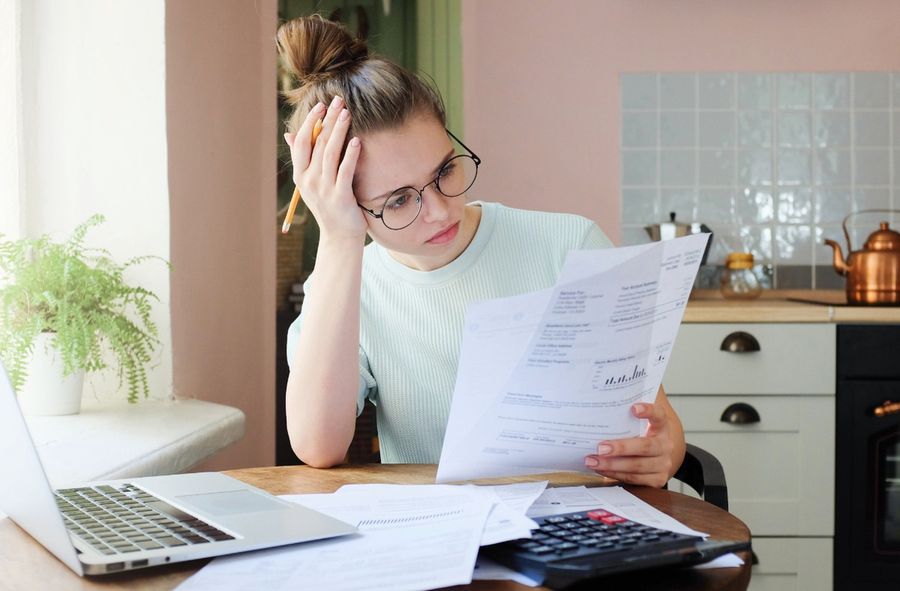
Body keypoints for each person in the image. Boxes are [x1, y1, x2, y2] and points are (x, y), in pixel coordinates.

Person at [279, 15, 685, 487]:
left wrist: (667, 447)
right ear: (346, 203)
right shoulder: (345, 284)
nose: (439, 210)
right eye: (398, 200)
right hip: (442, 534)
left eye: (445, 171)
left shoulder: (570, 246)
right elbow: (317, 446)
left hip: (579, 524)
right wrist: (338, 237)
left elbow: (656, 419)